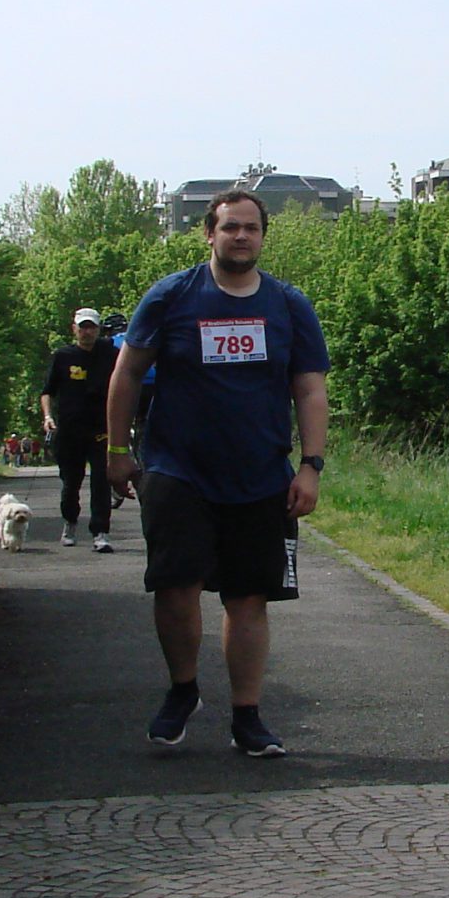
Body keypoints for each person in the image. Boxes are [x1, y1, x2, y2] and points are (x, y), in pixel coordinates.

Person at [106, 189, 328, 758]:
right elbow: (127, 373)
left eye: (251, 228)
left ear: (263, 236)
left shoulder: (288, 305)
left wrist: (310, 466)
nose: (241, 236)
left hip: (260, 475)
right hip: (178, 469)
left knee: (248, 597)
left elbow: (309, 387)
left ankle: (247, 717)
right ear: (209, 233)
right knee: (175, 585)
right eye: (230, 227)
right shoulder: (172, 296)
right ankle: (182, 689)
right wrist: (117, 449)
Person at [38, 307, 118, 551]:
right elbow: (47, 391)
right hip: (70, 430)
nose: (87, 332)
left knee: (101, 481)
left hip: (101, 428)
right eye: (83, 327)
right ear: (74, 329)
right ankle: (70, 522)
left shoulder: (111, 355)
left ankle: (100, 532)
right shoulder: (63, 356)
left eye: (91, 327)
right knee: (71, 482)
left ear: (98, 329)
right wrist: (48, 416)